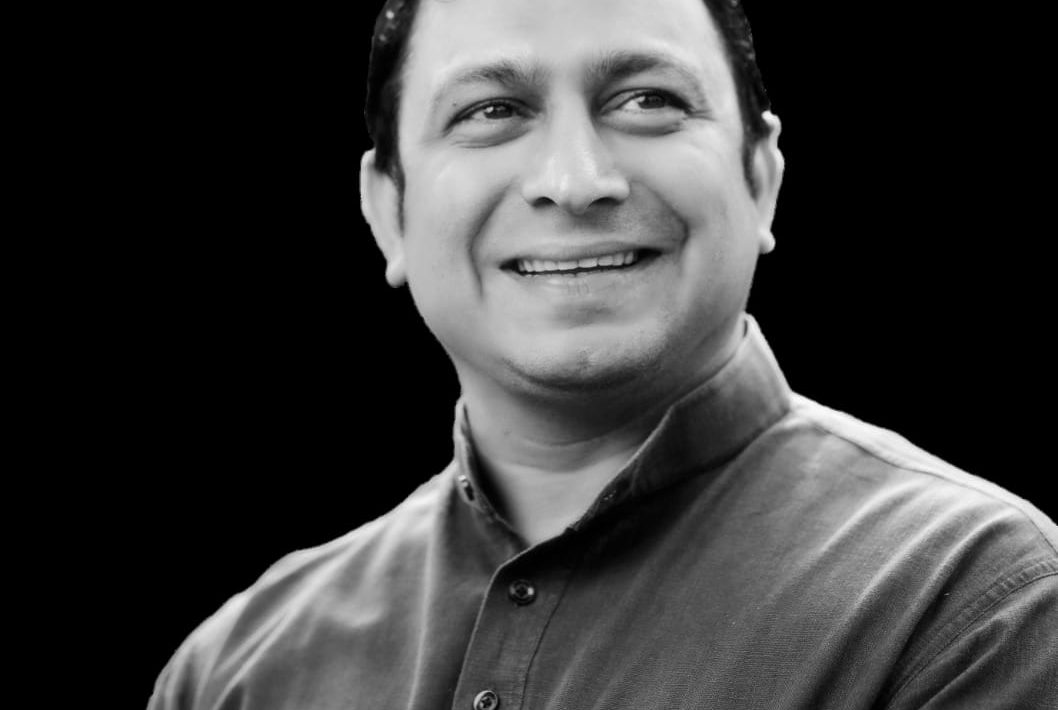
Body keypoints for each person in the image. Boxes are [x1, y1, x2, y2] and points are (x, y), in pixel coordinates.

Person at [149, 0, 1058, 707]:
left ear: (762, 177)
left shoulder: (977, 602)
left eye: (649, 101)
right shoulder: (236, 671)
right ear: (387, 209)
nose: (577, 181)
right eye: (492, 110)